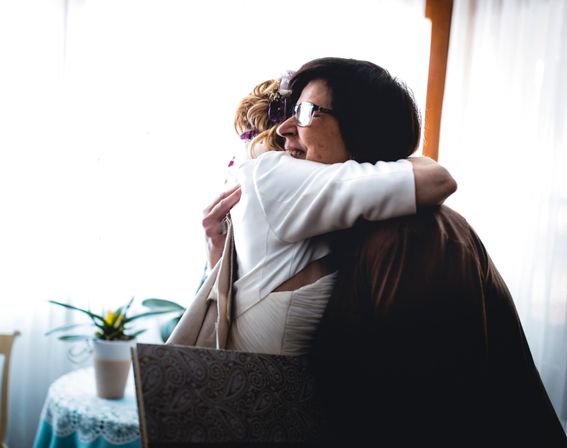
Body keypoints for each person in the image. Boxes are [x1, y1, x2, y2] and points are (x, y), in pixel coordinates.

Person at [168, 59, 457, 355]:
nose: (284, 129)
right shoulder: (272, 174)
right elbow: (437, 180)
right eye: (293, 111)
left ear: (359, 125)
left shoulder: (336, 211)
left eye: (306, 112)